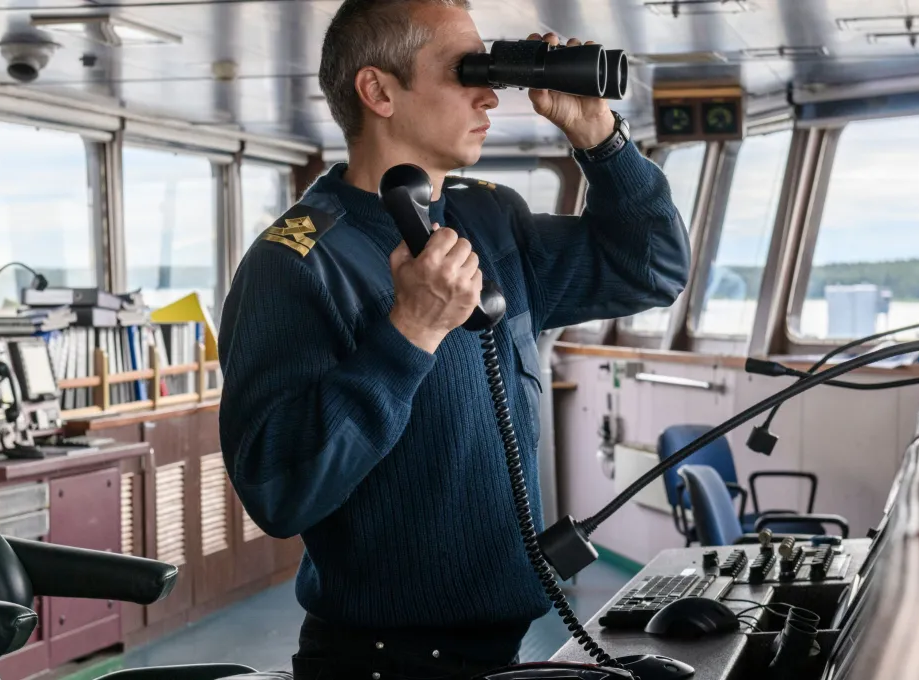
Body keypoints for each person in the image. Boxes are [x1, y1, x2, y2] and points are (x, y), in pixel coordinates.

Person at [217, 0, 689, 678]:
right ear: (379, 91)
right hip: (384, 664)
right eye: (463, 70)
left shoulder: (490, 219)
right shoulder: (296, 262)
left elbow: (653, 268)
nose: (490, 91)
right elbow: (278, 490)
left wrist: (600, 139)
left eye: (487, 67)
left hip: (503, 647)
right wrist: (409, 332)